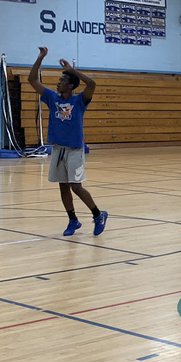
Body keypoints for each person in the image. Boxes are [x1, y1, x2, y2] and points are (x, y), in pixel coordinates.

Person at [28, 46, 108, 236]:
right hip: (58, 149)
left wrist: (72, 70)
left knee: (76, 186)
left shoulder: (80, 100)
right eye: (59, 80)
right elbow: (32, 79)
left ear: (71, 85)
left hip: (74, 150)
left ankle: (98, 215)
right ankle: (73, 220)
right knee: (63, 186)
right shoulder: (52, 98)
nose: (58, 84)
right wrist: (40, 57)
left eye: (62, 80)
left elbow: (92, 84)